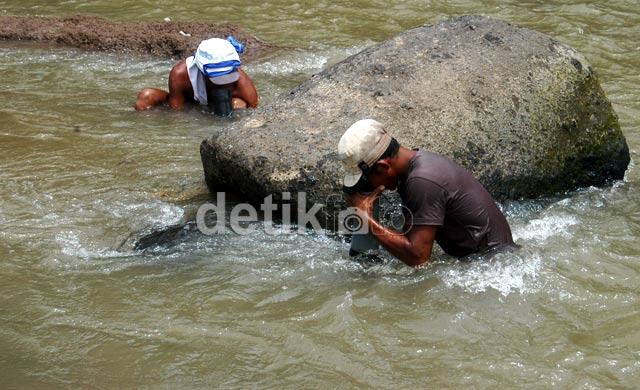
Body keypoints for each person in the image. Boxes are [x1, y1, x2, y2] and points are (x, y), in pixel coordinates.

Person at [337, 119, 516, 266]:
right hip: (492, 260)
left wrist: (367, 219)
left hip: (493, 267)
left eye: (365, 181)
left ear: (384, 167)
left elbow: (418, 257)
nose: (366, 187)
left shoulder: (422, 181)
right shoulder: (417, 166)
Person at [134, 37, 258, 115]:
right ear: (200, 67)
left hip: (223, 105)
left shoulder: (242, 81)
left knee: (239, 105)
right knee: (146, 96)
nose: (224, 82)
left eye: (227, 75)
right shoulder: (180, 74)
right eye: (217, 77)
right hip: (191, 104)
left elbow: (256, 112)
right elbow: (176, 112)